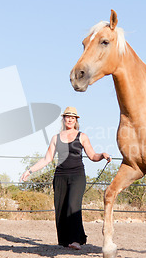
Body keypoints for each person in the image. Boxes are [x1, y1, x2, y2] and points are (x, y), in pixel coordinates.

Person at [21, 106, 111, 250]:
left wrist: (102, 155)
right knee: (61, 207)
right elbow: (47, 159)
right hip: (60, 176)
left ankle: (76, 240)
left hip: (77, 176)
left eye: (73, 117)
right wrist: (29, 171)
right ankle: (65, 240)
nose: (70, 119)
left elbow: (93, 156)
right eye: (67, 117)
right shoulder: (56, 138)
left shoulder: (82, 136)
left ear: (76, 120)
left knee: (72, 206)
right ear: (63, 119)